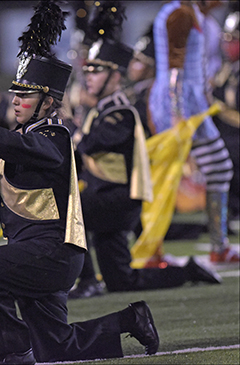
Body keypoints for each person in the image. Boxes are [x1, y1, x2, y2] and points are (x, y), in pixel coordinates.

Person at [0, 1, 159, 363]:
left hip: (53, 252)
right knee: (56, 345)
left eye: (25, 95)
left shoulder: (54, 136)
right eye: (14, 93)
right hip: (32, 251)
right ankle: (132, 319)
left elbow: (16, 146)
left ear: (48, 102)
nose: (15, 100)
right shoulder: (22, 136)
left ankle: (12, 350)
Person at [68, 1, 221, 300]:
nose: (89, 77)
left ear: (115, 77)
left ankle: (86, 280)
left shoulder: (121, 113)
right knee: (123, 281)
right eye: (89, 70)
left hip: (118, 200)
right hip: (106, 197)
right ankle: (187, 271)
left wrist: (73, 127)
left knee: (69, 213)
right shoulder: (98, 111)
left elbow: (88, 144)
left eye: (97, 71)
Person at [147, 0, 238, 264]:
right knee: (168, 176)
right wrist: (177, 116)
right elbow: (176, 68)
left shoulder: (184, 10)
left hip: (186, 102)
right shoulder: (181, 13)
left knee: (213, 168)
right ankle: (154, 250)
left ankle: (217, 245)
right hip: (182, 105)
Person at [212, 4, 239, 231]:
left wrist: (216, 107)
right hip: (227, 135)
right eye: (227, 38)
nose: (229, 44)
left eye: (234, 38)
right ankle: (225, 218)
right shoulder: (226, 68)